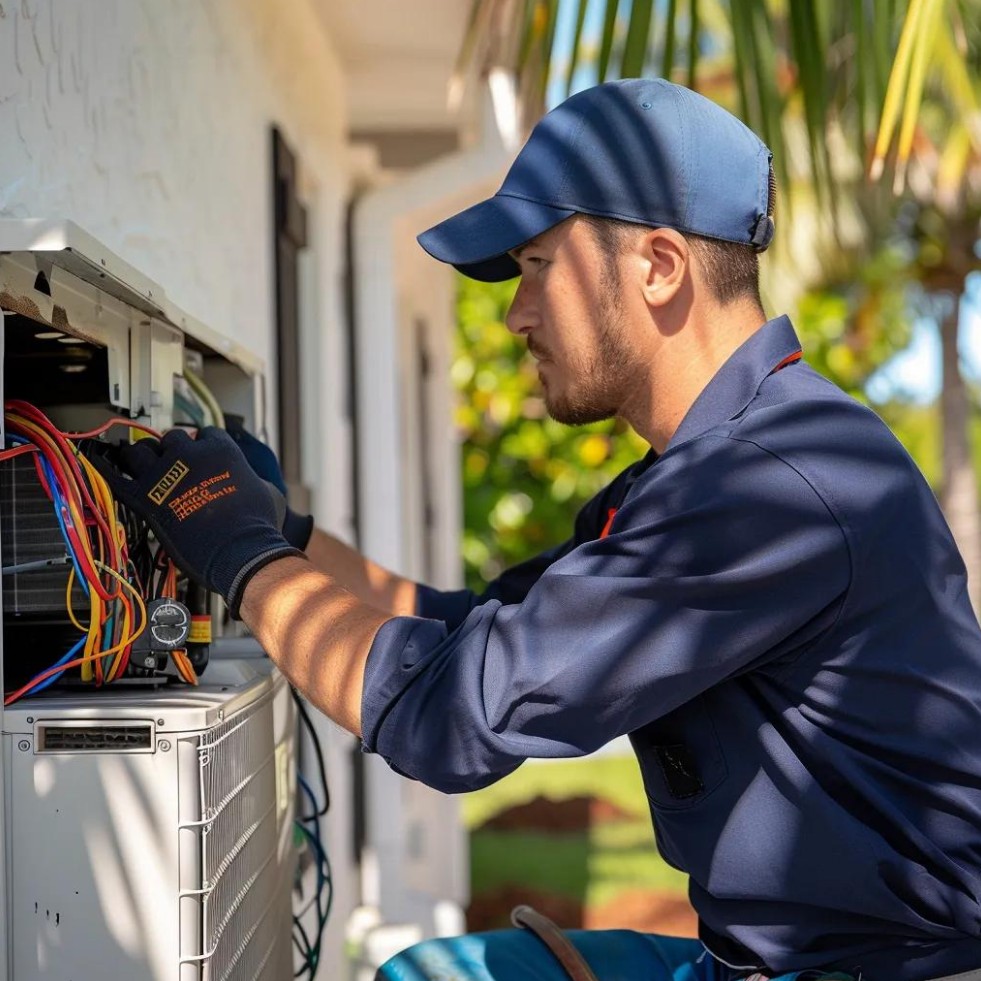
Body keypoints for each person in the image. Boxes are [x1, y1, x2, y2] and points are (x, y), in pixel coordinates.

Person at [98, 79, 981, 981]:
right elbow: (470, 626)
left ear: (658, 266)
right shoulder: (717, 469)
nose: (517, 317)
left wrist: (240, 549)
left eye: (535, 268)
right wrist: (284, 525)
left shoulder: (767, 488)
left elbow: (449, 715)